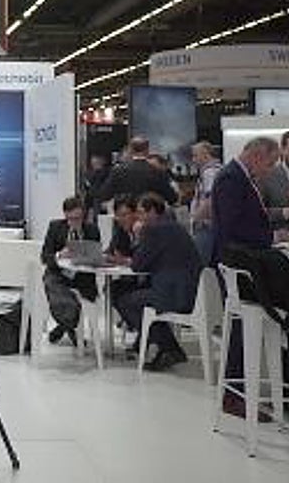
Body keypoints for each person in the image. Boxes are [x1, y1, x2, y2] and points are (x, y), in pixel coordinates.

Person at [211, 136, 280, 419]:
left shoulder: (238, 176)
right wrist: (266, 240)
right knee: (239, 331)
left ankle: (239, 392)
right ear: (257, 156)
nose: (270, 169)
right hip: (237, 265)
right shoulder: (231, 178)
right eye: (270, 163)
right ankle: (234, 395)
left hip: (240, 262)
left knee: (241, 330)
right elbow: (232, 227)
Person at [115, 192, 202, 372]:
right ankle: (157, 345)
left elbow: (138, 265)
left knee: (126, 301)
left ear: (153, 211)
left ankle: (169, 348)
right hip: (191, 291)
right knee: (132, 295)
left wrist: (139, 236)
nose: (138, 217)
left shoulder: (152, 230)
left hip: (174, 295)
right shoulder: (175, 227)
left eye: (141, 212)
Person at [40, 196, 101, 345]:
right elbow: (45, 256)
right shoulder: (55, 227)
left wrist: (86, 256)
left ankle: (64, 325)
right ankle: (70, 324)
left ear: (83, 214)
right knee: (52, 284)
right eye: (71, 219)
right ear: (65, 215)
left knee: (73, 296)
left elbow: (96, 256)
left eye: (78, 218)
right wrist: (60, 254)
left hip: (82, 277)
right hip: (58, 274)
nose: (75, 222)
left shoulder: (92, 229)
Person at [94, 136, 178, 209]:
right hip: (149, 217)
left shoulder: (118, 171)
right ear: (147, 150)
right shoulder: (157, 171)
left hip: (126, 216)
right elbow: (172, 198)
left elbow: (104, 195)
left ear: (131, 150)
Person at [189, 141, 222, 265]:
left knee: (200, 263)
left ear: (206, 154)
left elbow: (210, 198)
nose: (193, 160)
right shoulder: (217, 170)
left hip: (206, 225)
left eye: (195, 155)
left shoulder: (210, 173)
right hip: (212, 224)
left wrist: (196, 217)